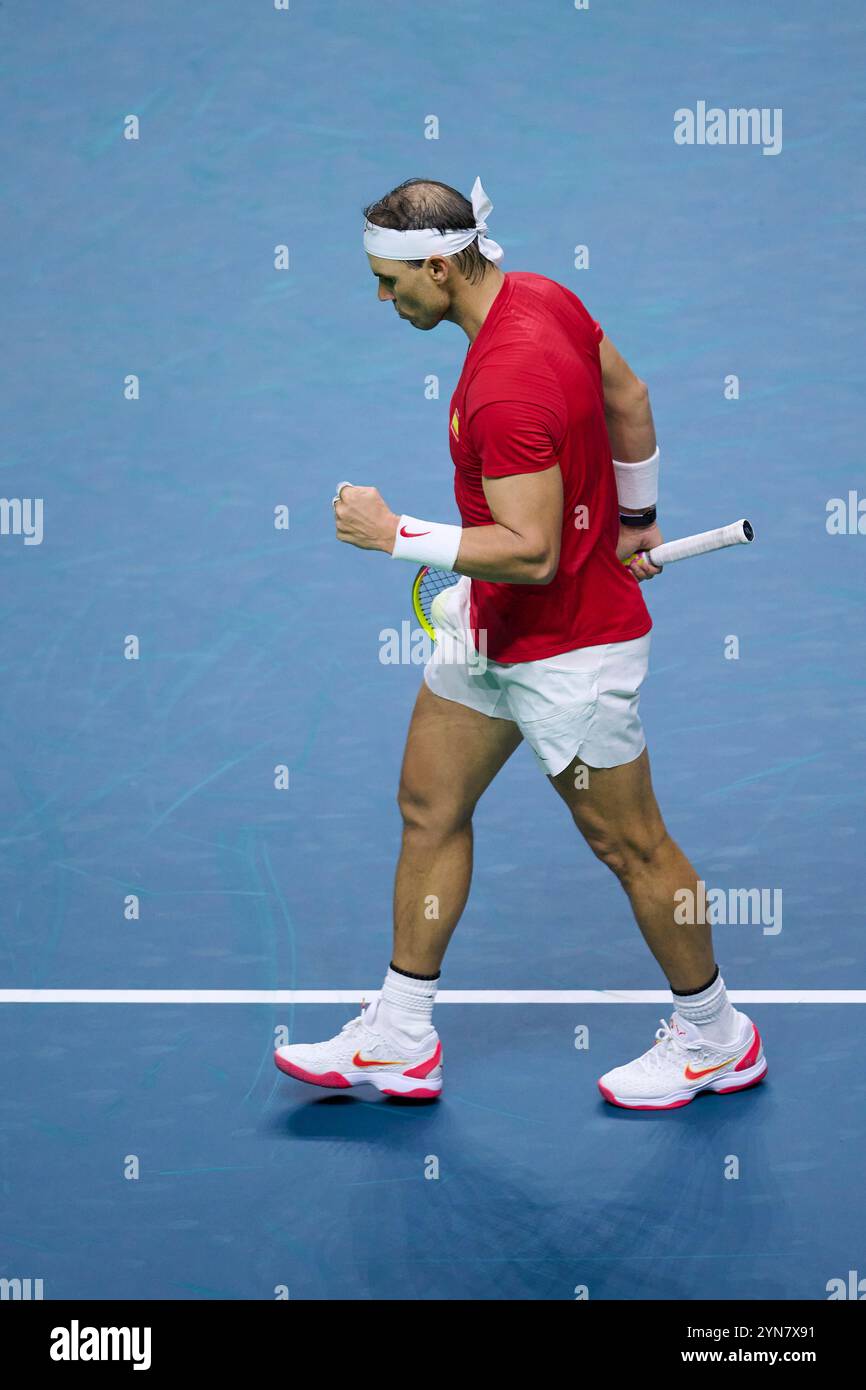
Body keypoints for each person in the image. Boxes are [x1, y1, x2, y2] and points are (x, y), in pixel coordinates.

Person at [274, 176, 767, 1109]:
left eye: (391, 285)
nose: (384, 303)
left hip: (568, 652)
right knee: (429, 805)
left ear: (437, 265)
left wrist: (396, 536)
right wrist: (636, 517)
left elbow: (534, 553)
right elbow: (630, 392)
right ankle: (399, 1033)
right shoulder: (542, 293)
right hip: (488, 625)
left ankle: (718, 1038)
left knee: (632, 846)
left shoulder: (505, 385)